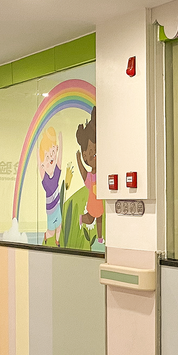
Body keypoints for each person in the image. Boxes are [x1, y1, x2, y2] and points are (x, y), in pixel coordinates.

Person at [76, 107, 105, 251]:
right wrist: (78, 161)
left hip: (99, 201)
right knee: (92, 217)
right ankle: (82, 218)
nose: (94, 157)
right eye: (91, 154)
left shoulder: (102, 173)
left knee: (99, 217)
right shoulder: (91, 176)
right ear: (85, 156)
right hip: (93, 201)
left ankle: (100, 237)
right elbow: (83, 174)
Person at [39, 128, 63, 247]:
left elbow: (59, 158)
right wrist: (38, 152)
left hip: (57, 206)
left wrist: (60, 142)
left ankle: (57, 242)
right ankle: (46, 235)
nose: (51, 160)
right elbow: (40, 165)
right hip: (50, 210)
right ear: (43, 164)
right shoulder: (45, 180)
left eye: (52, 154)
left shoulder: (57, 173)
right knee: (51, 231)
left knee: (59, 225)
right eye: (47, 158)